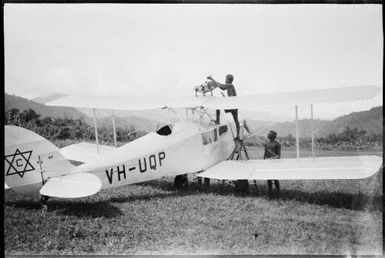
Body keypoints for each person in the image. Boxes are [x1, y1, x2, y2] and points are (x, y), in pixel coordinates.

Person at [207, 74, 240, 139]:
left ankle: (217, 121)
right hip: (234, 106)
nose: (225, 80)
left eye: (226, 79)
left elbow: (221, 86)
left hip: (232, 106)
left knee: (217, 105)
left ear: (228, 80)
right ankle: (238, 136)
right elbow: (222, 87)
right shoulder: (230, 86)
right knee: (236, 121)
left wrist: (212, 78)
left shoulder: (230, 85)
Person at [263, 130, 281, 195]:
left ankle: (278, 191)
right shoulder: (267, 143)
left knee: (275, 178)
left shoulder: (277, 144)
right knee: (268, 178)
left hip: (274, 163)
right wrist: (264, 160)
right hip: (267, 163)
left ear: (273, 136)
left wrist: (270, 159)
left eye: (269, 133)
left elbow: (278, 156)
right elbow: (265, 153)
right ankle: (269, 192)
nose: (268, 134)